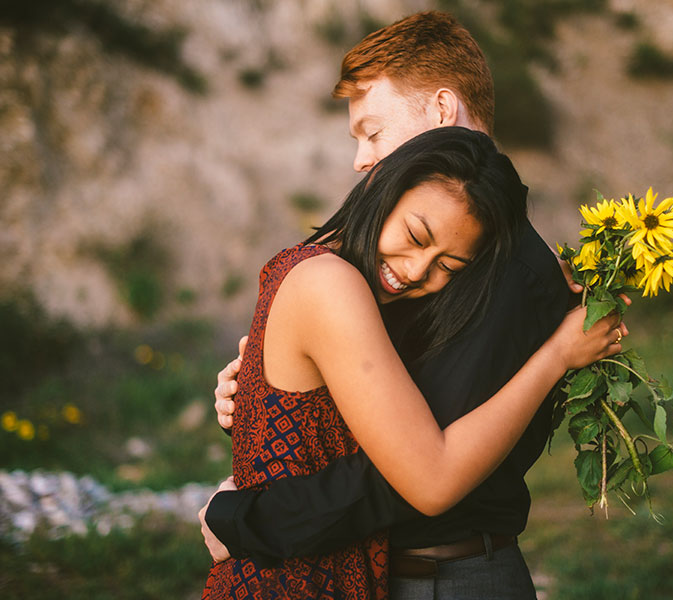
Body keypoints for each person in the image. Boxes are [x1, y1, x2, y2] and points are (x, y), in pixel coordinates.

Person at [202, 11, 626, 599]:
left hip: (440, 577)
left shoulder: (504, 269)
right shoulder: (386, 258)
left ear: (442, 110)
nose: (361, 159)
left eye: (373, 132)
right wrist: (263, 393)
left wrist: (246, 519)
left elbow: (410, 475)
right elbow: (366, 417)